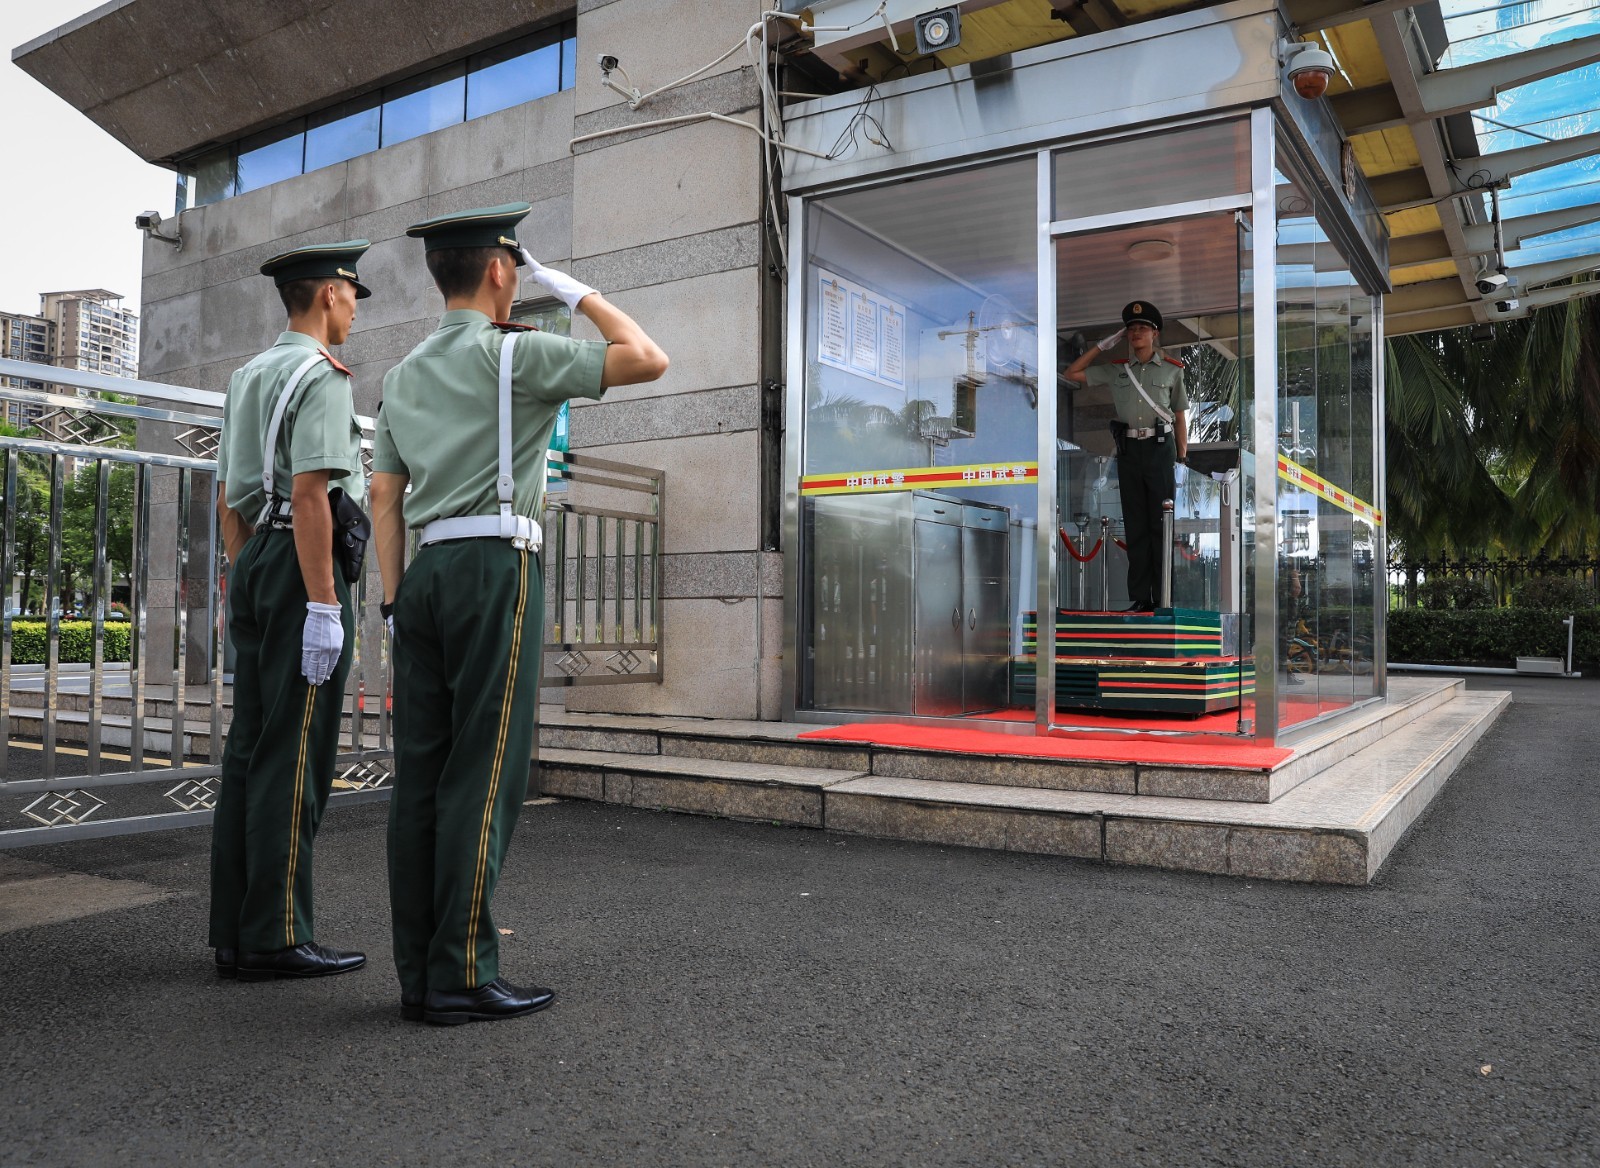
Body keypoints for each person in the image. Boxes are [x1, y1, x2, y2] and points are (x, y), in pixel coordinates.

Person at [370, 202, 667, 1025]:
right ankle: (461, 974)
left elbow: (384, 498)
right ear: (503, 271)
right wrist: (581, 294)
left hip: (423, 576)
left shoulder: (400, 375)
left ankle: (418, 973)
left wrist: (394, 597)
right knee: (486, 772)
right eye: (518, 271)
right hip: (496, 566)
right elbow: (646, 358)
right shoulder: (519, 357)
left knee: (422, 777)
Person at [209, 240, 372, 983]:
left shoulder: (248, 374)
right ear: (330, 294)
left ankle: (238, 931)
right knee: (296, 752)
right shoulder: (323, 376)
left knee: (250, 748)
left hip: (257, 560)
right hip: (303, 563)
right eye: (351, 294)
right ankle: (276, 936)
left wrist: (247, 577)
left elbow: (228, 491)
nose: (354, 307)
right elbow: (312, 495)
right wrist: (322, 605)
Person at [1063, 300, 1188, 612]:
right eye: (1131, 329)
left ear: (1155, 333)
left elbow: (1180, 416)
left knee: (1161, 525)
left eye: (1142, 328)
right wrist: (1102, 346)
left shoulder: (1172, 371)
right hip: (1130, 450)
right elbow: (1072, 372)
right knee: (1135, 525)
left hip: (1161, 449)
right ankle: (1141, 598)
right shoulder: (1117, 369)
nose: (1136, 333)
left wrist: (1182, 459)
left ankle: (1163, 598)